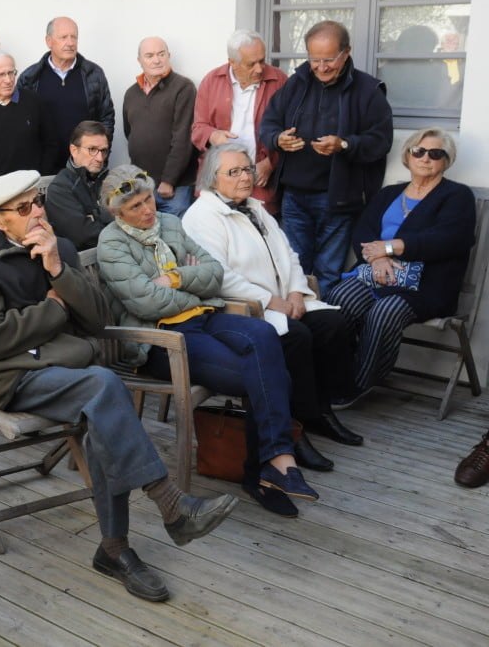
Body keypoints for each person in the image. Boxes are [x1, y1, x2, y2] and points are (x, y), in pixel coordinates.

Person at [0, 170, 236, 602]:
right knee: (104, 387)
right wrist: (52, 310)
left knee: (103, 408)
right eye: (23, 208)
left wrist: (56, 270)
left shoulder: (58, 248)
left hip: (70, 372)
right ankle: (169, 504)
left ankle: (114, 548)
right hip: (16, 377)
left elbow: (98, 316)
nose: (37, 213)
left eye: (39, 201)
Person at [96, 165, 319, 505]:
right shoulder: (111, 243)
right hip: (162, 338)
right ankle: (264, 471)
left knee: (263, 335)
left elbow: (213, 273)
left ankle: (274, 463)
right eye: (135, 207)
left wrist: (174, 279)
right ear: (116, 213)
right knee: (264, 376)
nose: (147, 210)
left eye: (148, 200)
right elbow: (147, 303)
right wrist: (192, 281)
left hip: (205, 316)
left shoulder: (170, 223)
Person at [182, 145, 364, 485]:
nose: (245, 176)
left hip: (282, 299)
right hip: (242, 309)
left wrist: (296, 291)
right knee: (296, 337)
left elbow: (290, 253)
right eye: (233, 172)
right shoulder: (200, 217)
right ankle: (296, 427)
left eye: (247, 169)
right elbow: (218, 275)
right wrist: (270, 301)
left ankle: (319, 411)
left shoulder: (256, 208)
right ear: (212, 179)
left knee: (332, 324)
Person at [324, 128, 475, 407]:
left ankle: (359, 381)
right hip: (375, 274)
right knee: (338, 300)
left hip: (425, 286)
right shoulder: (389, 193)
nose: (425, 158)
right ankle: (334, 375)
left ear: (446, 160)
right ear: (408, 155)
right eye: (418, 151)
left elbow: (452, 238)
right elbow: (364, 232)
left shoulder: (457, 196)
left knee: (385, 311)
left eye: (435, 153)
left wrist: (392, 247)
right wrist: (378, 258)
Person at [259, 20, 394, 297]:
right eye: (314, 59)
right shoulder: (296, 83)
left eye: (329, 59)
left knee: (328, 274)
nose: (321, 67)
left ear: (346, 53)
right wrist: (277, 139)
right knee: (295, 271)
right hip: (294, 195)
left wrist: (344, 144)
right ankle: (302, 335)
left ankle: (325, 335)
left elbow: (381, 142)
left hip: (337, 198)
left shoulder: (368, 90)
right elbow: (268, 124)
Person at [192, 29, 288, 213]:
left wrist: (270, 163)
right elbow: (198, 128)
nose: (260, 68)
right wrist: (213, 135)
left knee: (261, 235)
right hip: (220, 181)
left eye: (262, 60)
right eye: (251, 64)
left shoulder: (280, 81)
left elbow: (291, 132)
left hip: (260, 180)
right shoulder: (212, 81)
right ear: (232, 62)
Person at [122, 37, 198, 218]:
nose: (156, 60)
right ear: (140, 60)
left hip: (174, 188)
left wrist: (169, 180)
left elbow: (183, 138)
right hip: (143, 186)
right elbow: (129, 133)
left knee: (175, 241)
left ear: (168, 56)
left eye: (161, 54)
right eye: (149, 56)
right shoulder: (131, 93)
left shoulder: (183, 88)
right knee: (148, 240)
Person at [0, 49, 61, 179]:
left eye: (11, 73)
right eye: (1, 74)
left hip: (29, 188)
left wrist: (40, 176)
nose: (8, 80)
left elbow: (51, 145)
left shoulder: (35, 103)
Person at [18, 16, 115, 143]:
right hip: (43, 161)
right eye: (63, 37)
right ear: (49, 41)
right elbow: (19, 121)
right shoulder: (30, 77)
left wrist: (99, 154)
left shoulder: (94, 74)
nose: (70, 43)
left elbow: (106, 118)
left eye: (73, 37)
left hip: (84, 161)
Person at [45, 120, 115, 250]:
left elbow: (133, 216)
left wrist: (95, 219)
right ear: (74, 150)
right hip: (85, 265)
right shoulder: (60, 189)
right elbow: (83, 236)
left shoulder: (111, 179)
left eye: (103, 151)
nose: (100, 158)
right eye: (92, 149)